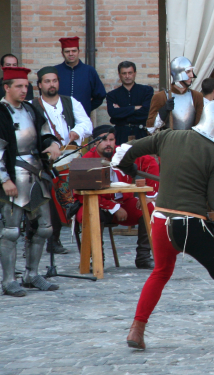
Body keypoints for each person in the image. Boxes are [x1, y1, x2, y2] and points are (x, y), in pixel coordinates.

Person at [115, 101, 214, 354]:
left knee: (160, 272)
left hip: (161, 221)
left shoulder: (168, 136)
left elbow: (124, 151)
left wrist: (126, 167)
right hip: (189, 226)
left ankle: (137, 329)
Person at [0, 66, 62, 296]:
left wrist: (52, 143)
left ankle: (31, 274)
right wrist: (4, 179)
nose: (24, 90)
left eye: (26, 85)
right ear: (7, 87)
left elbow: (44, 132)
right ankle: (8, 280)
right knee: (11, 231)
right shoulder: (1, 112)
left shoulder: (30, 109)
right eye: (19, 86)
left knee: (44, 228)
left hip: (36, 175)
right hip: (13, 176)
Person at [79, 125, 160, 268]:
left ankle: (143, 257)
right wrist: (113, 207)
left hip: (124, 202)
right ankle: (96, 260)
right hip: (94, 204)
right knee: (91, 214)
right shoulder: (87, 159)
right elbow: (81, 194)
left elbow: (148, 161)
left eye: (111, 139)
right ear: (95, 142)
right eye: (104, 140)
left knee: (149, 208)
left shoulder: (121, 154)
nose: (108, 143)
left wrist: (151, 195)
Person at [33, 66, 93, 255]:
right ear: (39, 85)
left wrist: (77, 131)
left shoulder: (70, 102)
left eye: (54, 80)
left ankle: (83, 238)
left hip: (71, 155)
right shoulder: (32, 105)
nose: (52, 84)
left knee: (74, 197)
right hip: (45, 160)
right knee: (50, 198)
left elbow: (87, 123)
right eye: (47, 81)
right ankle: (53, 239)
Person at [148, 57, 205, 133]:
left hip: (189, 140)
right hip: (169, 140)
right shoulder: (160, 97)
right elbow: (150, 128)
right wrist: (163, 111)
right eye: (188, 72)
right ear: (178, 73)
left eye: (192, 71)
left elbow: (199, 126)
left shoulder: (197, 96)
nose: (191, 75)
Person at [55, 36, 106, 115]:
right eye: (67, 51)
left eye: (74, 51)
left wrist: (86, 108)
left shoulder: (89, 71)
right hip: (59, 117)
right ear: (62, 53)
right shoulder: (55, 71)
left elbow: (100, 95)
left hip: (82, 118)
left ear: (79, 51)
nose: (71, 54)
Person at [106, 61, 154, 144]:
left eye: (130, 73)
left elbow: (146, 112)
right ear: (119, 75)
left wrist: (121, 112)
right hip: (121, 134)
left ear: (135, 73)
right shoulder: (112, 95)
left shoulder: (146, 91)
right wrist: (135, 108)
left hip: (141, 133)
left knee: (143, 156)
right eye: (124, 73)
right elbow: (113, 113)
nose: (127, 76)